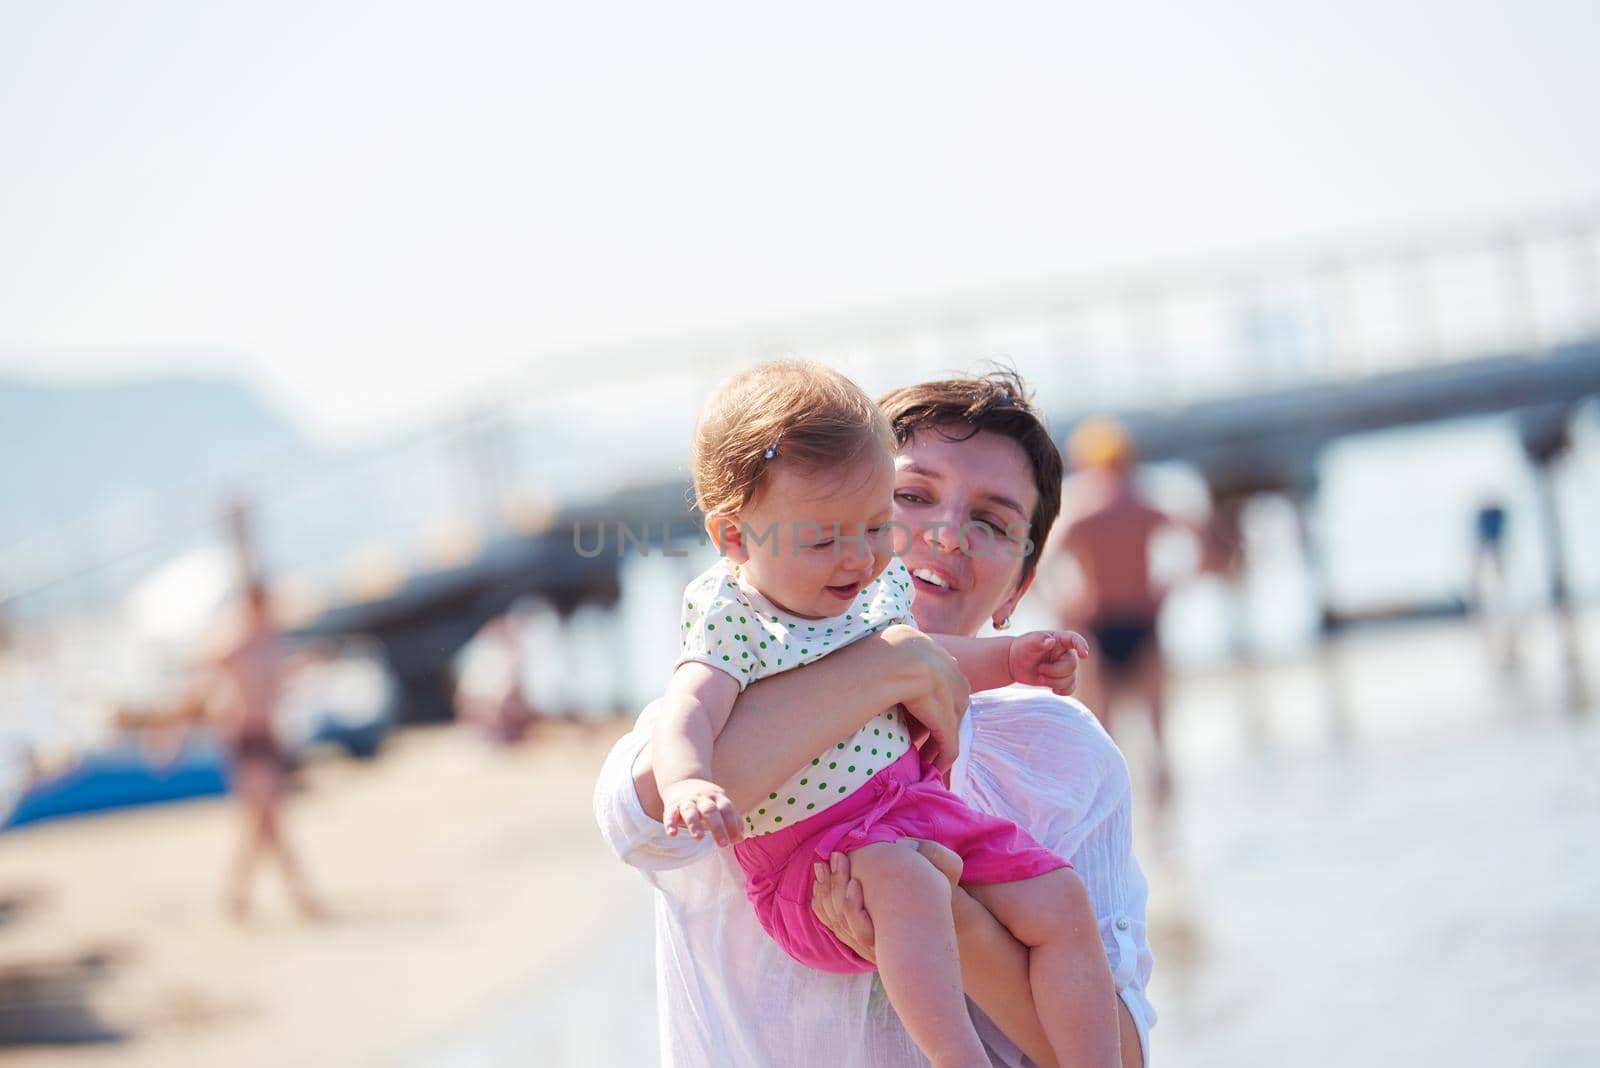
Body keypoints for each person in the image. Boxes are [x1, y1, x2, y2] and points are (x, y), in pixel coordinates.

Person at [595, 370, 1155, 1067]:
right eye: (909, 498)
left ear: (1021, 587)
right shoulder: (733, 686)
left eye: (991, 521)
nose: (948, 535)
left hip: (926, 852)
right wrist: (886, 666)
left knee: (1035, 898)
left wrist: (958, 924)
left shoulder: (1059, 754)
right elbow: (642, 824)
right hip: (808, 869)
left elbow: (1127, 1057)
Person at [1040, 417, 1216, 809]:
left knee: (1104, 736)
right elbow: (1202, 545)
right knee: (1159, 737)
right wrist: (1168, 589)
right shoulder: (1144, 504)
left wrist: (1066, 607)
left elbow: (1043, 567)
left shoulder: (1084, 510)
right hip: (1143, 620)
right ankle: (1166, 824)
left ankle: (1115, 819)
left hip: (1097, 624)